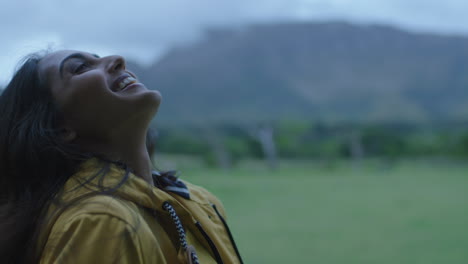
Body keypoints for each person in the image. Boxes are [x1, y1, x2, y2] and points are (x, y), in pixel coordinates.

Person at [0, 50, 243, 264]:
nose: (118, 59)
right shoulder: (100, 222)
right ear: (60, 128)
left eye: (97, 57)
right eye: (80, 67)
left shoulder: (198, 202)